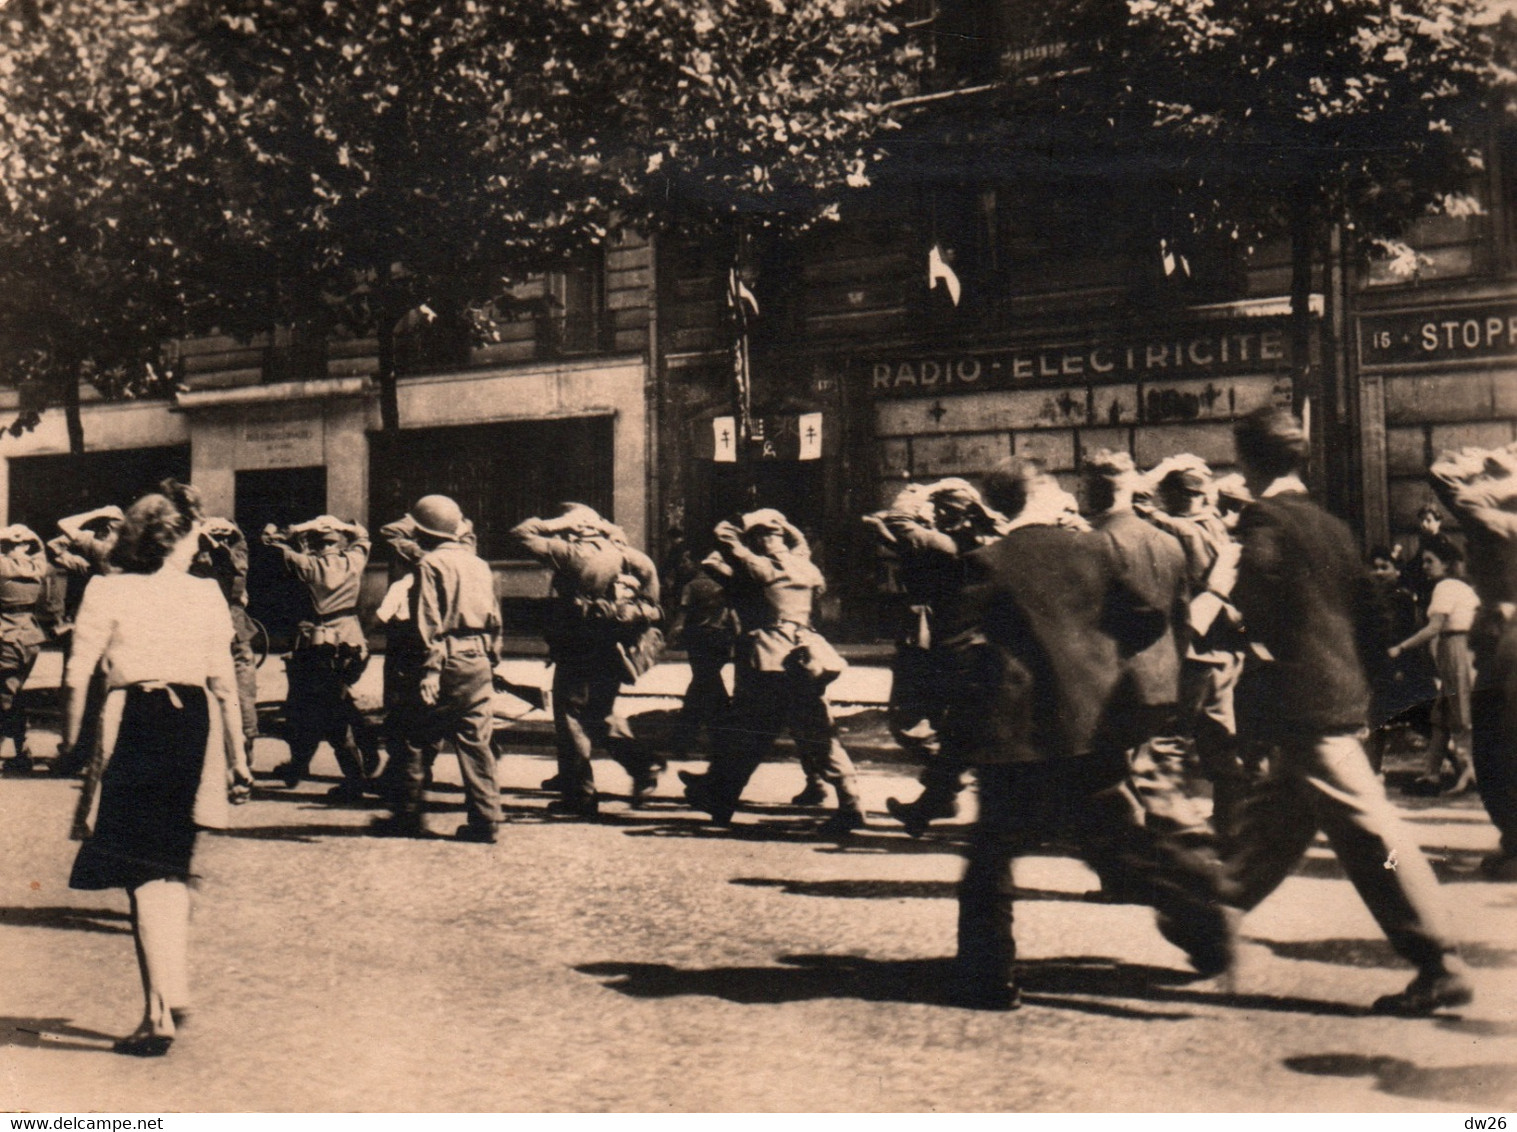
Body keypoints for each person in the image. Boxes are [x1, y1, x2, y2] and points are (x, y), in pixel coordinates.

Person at [944, 456, 1235, 1010]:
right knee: (1118, 847)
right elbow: (1147, 616)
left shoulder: (984, 563)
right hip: (1091, 727)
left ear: (997, 505)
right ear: (1046, 494)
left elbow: (957, 654)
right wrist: (1094, 661)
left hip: (1016, 737)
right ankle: (1204, 924)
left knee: (991, 859)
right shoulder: (1092, 549)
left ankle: (989, 979)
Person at [1224, 406, 1472, 1015]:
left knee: (1373, 836)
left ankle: (1439, 961)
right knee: (1279, 823)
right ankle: (1210, 921)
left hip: (1303, 700)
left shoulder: (1265, 518)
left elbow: (1252, 583)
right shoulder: (1331, 524)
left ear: (1250, 461)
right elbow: (1374, 612)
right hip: (1340, 693)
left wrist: (1247, 624)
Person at [64, 482, 249, 1056]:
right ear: (176, 539)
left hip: (136, 720)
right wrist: (239, 759)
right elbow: (223, 682)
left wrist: (71, 748)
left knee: (142, 872)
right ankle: (175, 988)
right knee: (170, 867)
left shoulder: (106, 589)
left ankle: (157, 1015)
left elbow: (77, 674)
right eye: (195, 534)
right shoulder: (206, 594)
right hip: (194, 724)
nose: (200, 545)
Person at [680, 508, 865, 836]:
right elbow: (801, 544)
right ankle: (851, 803)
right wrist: (782, 522)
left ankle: (720, 800)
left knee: (749, 733)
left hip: (767, 659)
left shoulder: (759, 567)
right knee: (819, 731)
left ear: (759, 540)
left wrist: (746, 521)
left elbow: (724, 534)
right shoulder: (805, 567)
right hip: (806, 657)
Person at [864, 479, 1008, 837]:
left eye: (943, 507)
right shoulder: (984, 541)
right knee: (958, 730)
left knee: (910, 721)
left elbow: (903, 526)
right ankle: (934, 802)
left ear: (955, 512)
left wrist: (916, 494)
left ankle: (943, 794)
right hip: (971, 645)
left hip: (939, 647)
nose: (936, 513)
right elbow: (907, 542)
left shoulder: (945, 543)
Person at [513, 503, 664, 818]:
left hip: (579, 647)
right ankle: (642, 764)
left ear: (574, 528)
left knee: (570, 719)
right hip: (616, 650)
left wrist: (554, 523)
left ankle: (579, 796)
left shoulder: (571, 553)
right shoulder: (634, 557)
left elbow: (521, 533)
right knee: (599, 713)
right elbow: (655, 608)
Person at [1136, 454, 1255, 843]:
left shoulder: (1180, 530)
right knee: (1222, 749)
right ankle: (1231, 836)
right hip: (1223, 655)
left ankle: (1164, 842)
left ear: (1174, 494)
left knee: (1164, 747)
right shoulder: (1218, 530)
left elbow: (1135, 499)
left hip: (1189, 655)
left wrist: (1158, 470)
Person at [373, 496, 503, 842]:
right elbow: (495, 618)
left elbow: (428, 621)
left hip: (446, 660)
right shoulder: (479, 564)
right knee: (476, 742)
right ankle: (486, 820)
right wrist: (491, 659)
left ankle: (408, 816)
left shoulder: (429, 565)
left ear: (423, 531)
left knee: (415, 736)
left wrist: (430, 671)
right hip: (478, 660)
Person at [1428, 443, 1517, 879]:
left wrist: (1491, 469)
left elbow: (1456, 489)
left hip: (1510, 638)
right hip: (1502, 638)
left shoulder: (1500, 522)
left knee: (1499, 743)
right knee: (1498, 741)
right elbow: (1446, 480)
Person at [262, 515, 373, 799]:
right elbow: (363, 537)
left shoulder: (307, 564)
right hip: (352, 642)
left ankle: (353, 776)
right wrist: (343, 526)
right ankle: (301, 766)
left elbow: (271, 544)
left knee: (317, 709)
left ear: (315, 543)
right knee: (335, 701)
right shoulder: (353, 561)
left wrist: (297, 528)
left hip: (319, 646)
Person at [1389, 534, 1479, 795]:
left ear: (1446, 564)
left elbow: (1434, 628)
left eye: (1431, 561)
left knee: (1461, 714)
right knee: (1441, 718)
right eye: (1424, 561)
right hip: (1454, 648)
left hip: (1457, 648)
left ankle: (1471, 773)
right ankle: (1430, 775)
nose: (1425, 566)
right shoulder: (1458, 587)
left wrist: (1401, 647)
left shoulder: (1446, 587)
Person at [46, 505, 123, 777]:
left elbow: (64, 523)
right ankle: (97, 754)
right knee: (105, 687)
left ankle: (71, 751)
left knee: (78, 683)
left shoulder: (98, 546)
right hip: (122, 619)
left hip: (93, 616)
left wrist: (95, 512)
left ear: (110, 525)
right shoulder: (131, 546)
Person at [191, 515, 260, 772]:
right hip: (232, 625)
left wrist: (204, 533)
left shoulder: (200, 558)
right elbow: (237, 545)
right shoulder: (237, 552)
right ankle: (244, 744)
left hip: (213, 628)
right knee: (241, 689)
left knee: (224, 689)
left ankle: (237, 745)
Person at [1363, 545, 1437, 774]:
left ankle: (1460, 762)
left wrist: (1399, 666)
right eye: (1374, 568)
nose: (1378, 572)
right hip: (1384, 668)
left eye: (1384, 567)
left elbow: (1405, 634)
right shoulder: (1372, 600)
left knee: (1422, 720)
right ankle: (1372, 774)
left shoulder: (1401, 598)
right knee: (1377, 720)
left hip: (1403, 668)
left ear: (1396, 571)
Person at [666, 555, 736, 765]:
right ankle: (720, 740)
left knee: (703, 686)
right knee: (707, 686)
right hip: (721, 640)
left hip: (699, 640)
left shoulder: (691, 586)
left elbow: (682, 616)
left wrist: (672, 634)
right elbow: (733, 616)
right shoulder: (727, 587)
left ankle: (686, 739)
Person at [0, 525, 48, 774]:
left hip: (6, 633)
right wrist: (30, 537)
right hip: (29, 635)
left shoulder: (3, 566)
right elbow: (41, 549)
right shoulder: (38, 567)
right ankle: (21, 751)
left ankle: (20, 751)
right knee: (13, 693)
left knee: (5, 696)